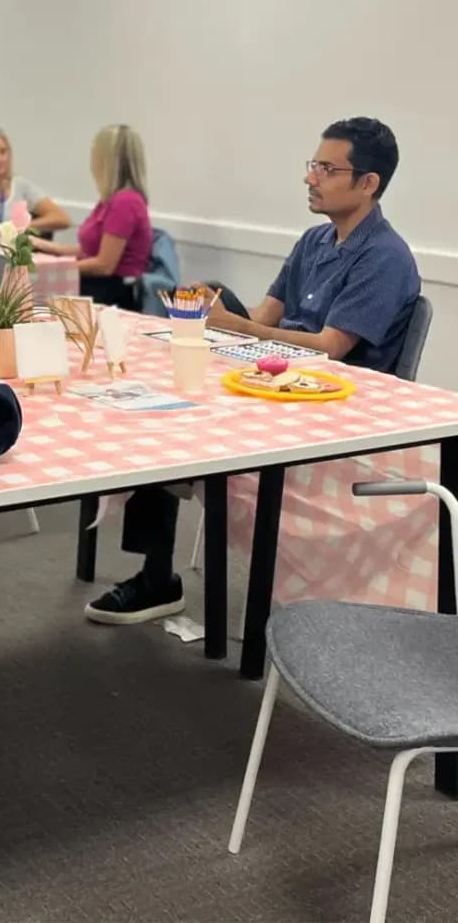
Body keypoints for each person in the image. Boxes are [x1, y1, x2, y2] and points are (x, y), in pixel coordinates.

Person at [84, 116, 421, 626]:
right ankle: (156, 576)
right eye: (313, 165)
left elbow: (330, 348)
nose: (310, 177)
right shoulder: (314, 241)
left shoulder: (385, 257)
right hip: (278, 382)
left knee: (181, 420)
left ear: (368, 183)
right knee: (161, 413)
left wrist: (237, 325)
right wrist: (222, 311)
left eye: (327, 169)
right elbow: (264, 318)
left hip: (334, 409)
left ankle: (160, 578)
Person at [31, 124, 152, 309]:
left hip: (111, 293)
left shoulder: (125, 202)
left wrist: (54, 269)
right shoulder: (110, 200)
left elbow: (104, 265)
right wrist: (43, 245)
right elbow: (89, 251)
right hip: (100, 287)